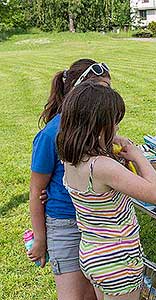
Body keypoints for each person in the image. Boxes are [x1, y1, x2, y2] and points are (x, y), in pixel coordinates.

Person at [57, 82, 156, 299]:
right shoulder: (102, 166)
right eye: (114, 122)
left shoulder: (71, 158)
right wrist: (137, 155)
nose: (116, 129)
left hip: (92, 254)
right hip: (118, 259)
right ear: (99, 125)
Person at [28, 59, 112, 300]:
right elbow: (36, 191)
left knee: (95, 294)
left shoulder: (99, 128)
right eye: (100, 91)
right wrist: (40, 239)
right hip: (66, 223)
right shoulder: (51, 134)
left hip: (97, 221)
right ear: (78, 92)